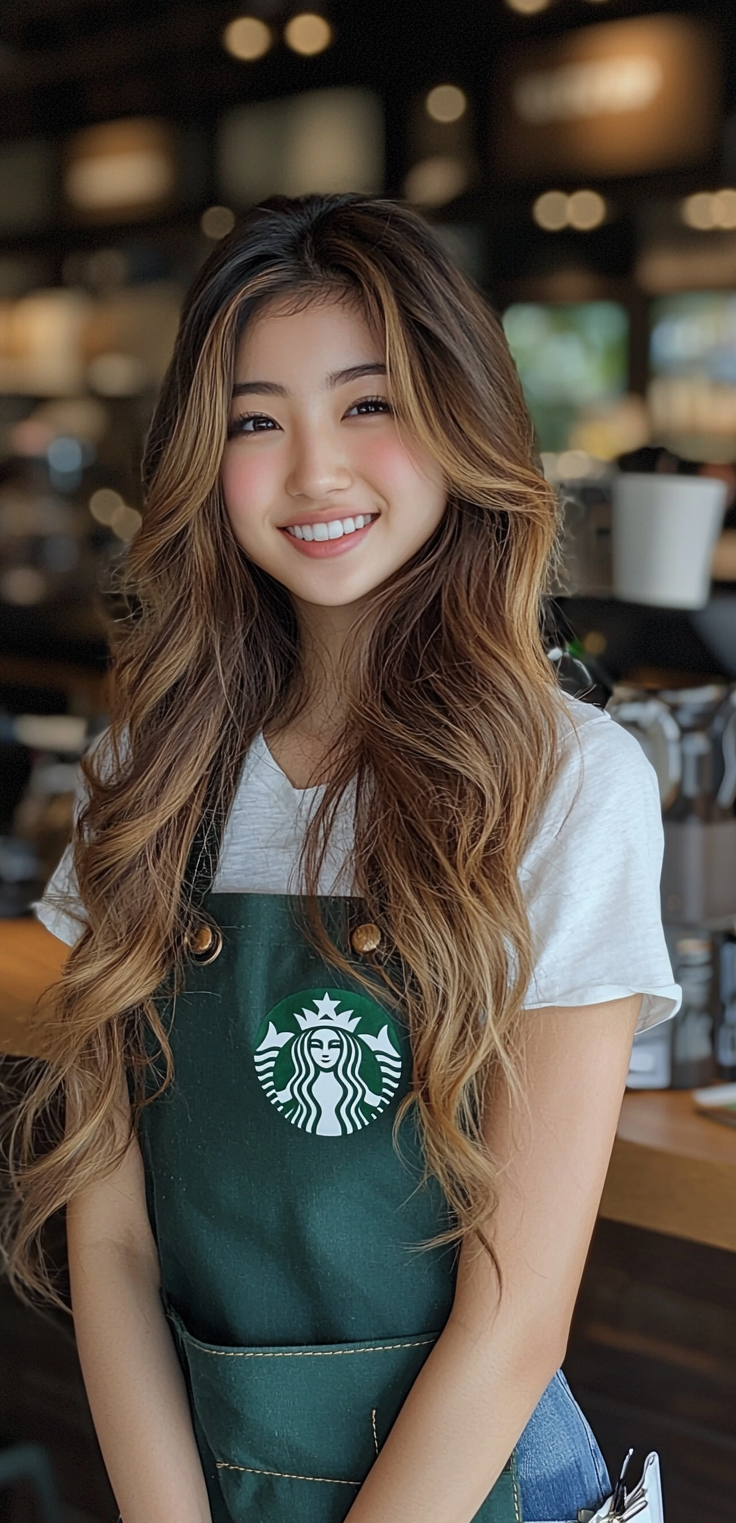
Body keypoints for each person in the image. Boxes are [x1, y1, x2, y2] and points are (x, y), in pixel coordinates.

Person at [3, 194, 680, 1523]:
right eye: (257, 420)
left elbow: (516, 1314)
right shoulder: (143, 779)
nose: (315, 469)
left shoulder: (569, 781)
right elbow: (119, 1247)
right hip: (208, 1476)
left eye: (367, 404)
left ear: (460, 421)